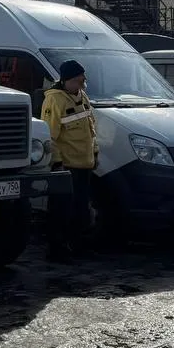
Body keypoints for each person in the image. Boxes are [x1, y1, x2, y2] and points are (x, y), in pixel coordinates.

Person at [41, 59, 97, 262]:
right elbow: (50, 135)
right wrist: (56, 162)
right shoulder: (55, 100)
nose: (81, 84)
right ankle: (57, 248)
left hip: (85, 164)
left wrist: (95, 153)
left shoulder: (82, 97)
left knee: (81, 209)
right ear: (66, 81)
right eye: (77, 81)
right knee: (61, 209)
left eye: (82, 80)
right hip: (66, 166)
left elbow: (91, 129)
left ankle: (77, 244)